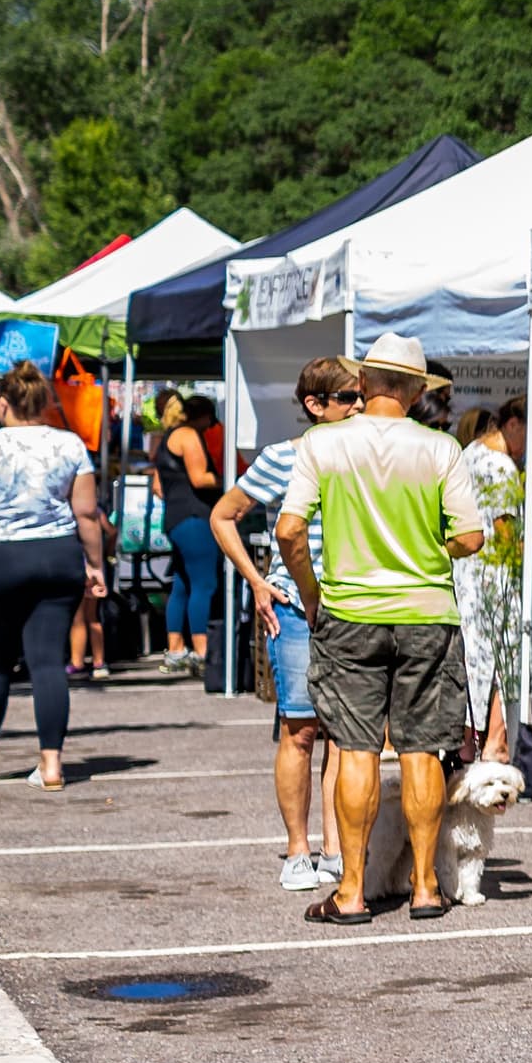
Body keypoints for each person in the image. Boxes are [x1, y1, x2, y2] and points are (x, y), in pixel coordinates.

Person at [282, 333, 494, 925]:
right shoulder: (440, 448)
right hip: (427, 613)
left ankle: (351, 890)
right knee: (424, 749)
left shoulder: (323, 444)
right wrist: (428, 544)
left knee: (357, 750)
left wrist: (311, 593)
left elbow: (289, 531)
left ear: (367, 383)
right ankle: (426, 885)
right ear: (415, 392)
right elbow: (472, 537)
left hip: (349, 612)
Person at [218, 357, 362, 891]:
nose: (358, 407)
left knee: (345, 736)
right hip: (296, 610)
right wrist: (257, 582)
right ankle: (299, 851)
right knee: (300, 730)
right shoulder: (283, 458)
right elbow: (223, 514)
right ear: (315, 405)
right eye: (347, 398)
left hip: (354, 608)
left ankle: (335, 848)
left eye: (360, 396)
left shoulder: (365, 456)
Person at [0, 359, 104, 788]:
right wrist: (95, 564)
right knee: (48, 661)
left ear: (4, 403)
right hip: (57, 556)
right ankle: (51, 764)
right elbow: (86, 512)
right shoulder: (70, 446)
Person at [450, 404, 529, 765]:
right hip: (496, 574)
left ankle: (466, 742)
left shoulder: (469, 453)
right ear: (513, 424)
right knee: (505, 657)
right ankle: (496, 741)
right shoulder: (502, 466)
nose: (530, 445)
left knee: (471, 657)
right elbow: (506, 530)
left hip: (466, 570)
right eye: (531, 433)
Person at [155, 389, 225, 669]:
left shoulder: (166, 439)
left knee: (182, 585)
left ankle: (175, 648)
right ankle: (202, 650)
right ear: (204, 417)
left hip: (174, 517)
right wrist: (228, 478)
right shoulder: (187, 435)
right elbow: (199, 478)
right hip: (194, 517)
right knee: (204, 584)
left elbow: (158, 487)